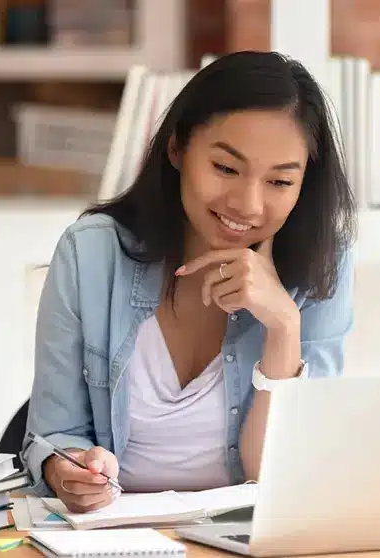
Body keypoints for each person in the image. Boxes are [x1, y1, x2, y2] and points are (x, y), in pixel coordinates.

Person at [21, 50, 357, 513]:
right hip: (114, 539)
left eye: (280, 182)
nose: (248, 205)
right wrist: (72, 471)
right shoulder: (91, 254)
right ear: (178, 148)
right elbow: (52, 435)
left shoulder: (323, 266)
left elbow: (282, 479)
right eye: (226, 169)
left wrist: (283, 327)